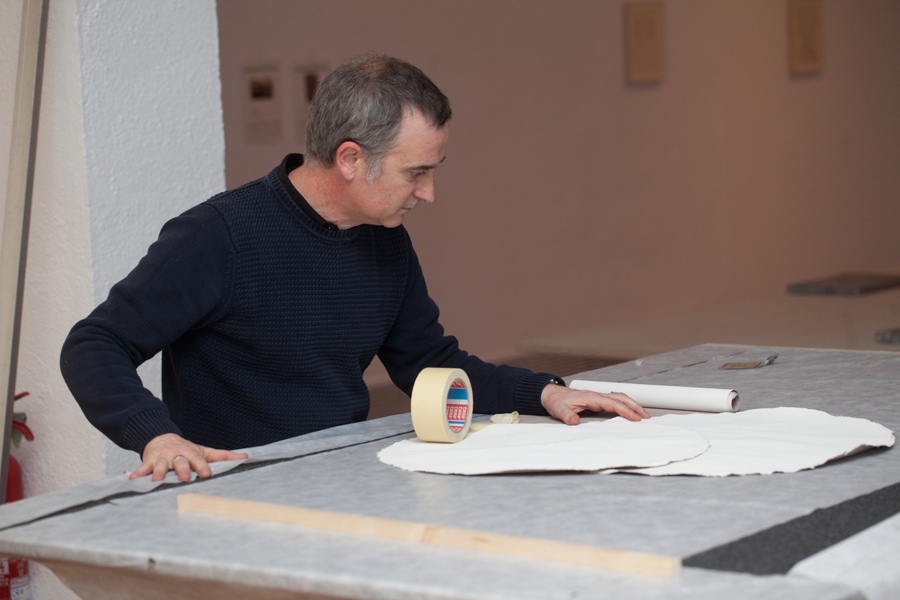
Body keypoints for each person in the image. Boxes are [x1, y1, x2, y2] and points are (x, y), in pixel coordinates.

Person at [60, 55, 649, 483]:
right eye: (416, 172)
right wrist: (156, 436)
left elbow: (429, 365)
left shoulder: (384, 242)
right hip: (234, 492)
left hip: (343, 476)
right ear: (350, 159)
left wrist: (542, 392)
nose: (429, 193)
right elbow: (95, 343)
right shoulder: (219, 235)